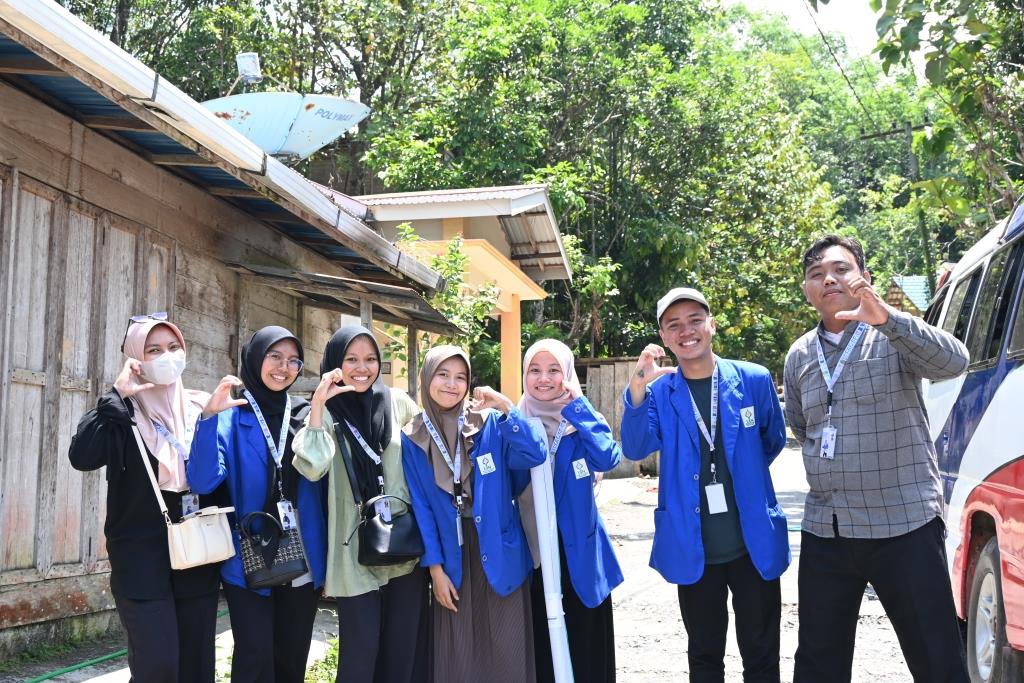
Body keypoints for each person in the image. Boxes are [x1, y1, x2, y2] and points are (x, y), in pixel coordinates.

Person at [784, 234, 970, 682]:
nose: (829, 278)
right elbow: (801, 425)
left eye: (841, 269)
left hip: (902, 526)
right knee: (816, 662)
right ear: (808, 291)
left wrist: (888, 319)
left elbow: (955, 361)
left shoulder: (892, 335)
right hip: (826, 529)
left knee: (936, 656)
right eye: (816, 274)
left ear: (864, 278)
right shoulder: (799, 355)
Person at [620, 287, 789, 683]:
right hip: (693, 545)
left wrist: (744, 478)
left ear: (712, 324)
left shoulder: (753, 379)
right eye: (673, 325)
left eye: (695, 320)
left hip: (753, 543)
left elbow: (772, 438)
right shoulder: (660, 392)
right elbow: (636, 446)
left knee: (762, 655)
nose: (686, 331)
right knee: (704, 656)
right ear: (664, 337)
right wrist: (638, 386)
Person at [68, 314, 223, 682]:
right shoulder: (122, 416)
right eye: (153, 350)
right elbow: (82, 456)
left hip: (196, 555)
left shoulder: (201, 408)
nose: (166, 357)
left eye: (173, 348)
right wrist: (117, 395)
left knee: (196, 666)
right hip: (140, 560)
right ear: (136, 359)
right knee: (158, 667)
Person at [187, 326, 327, 683]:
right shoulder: (231, 416)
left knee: (292, 657)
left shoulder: (305, 415)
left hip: (304, 555)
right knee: (254, 654)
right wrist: (207, 419)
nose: (283, 367)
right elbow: (203, 481)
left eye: (293, 360)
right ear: (254, 357)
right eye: (274, 356)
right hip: (248, 554)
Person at [401, 345, 546, 682]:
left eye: (460, 377)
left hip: (498, 545)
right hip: (452, 554)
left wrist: (508, 408)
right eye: (443, 375)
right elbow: (421, 506)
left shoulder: (490, 422)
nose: (451, 384)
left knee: (507, 647)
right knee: (458, 651)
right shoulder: (413, 435)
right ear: (426, 378)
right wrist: (435, 570)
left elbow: (535, 452)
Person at [291, 324, 426, 683]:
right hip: (352, 548)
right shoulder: (326, 415)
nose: (361, 368)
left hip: (403, 542)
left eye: (369, 359)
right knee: (360, 655)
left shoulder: (398, 403)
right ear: (335, 363)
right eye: (351, 359)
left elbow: (433, 453)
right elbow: (313, 466)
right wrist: (319, 403)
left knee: (401, 652)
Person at [518, 339, 624, 683]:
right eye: (535, 370)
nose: (544, 378)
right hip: (534, 556)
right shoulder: (514, 422)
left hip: (580, 555)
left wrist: (577, 407)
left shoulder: (582, 419)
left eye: (554, 370)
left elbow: (608, 458)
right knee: (543, 654)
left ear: (567, 374)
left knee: (587, 651)